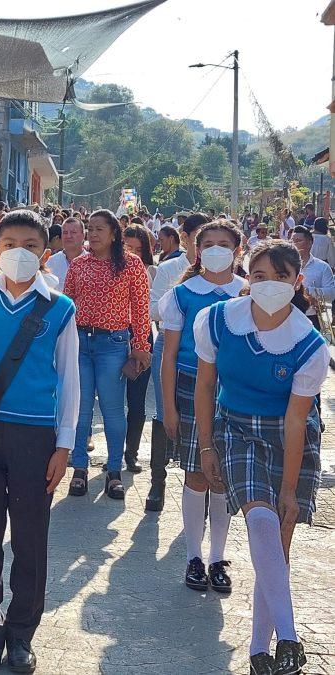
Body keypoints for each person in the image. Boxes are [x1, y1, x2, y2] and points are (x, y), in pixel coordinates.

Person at [193, 240, 327, 675]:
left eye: (281, 277)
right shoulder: (217, 321)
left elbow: (295, 421)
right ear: (247, 277)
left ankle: (259, 650)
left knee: (275, 548)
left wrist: (289, 490)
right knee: (261, 521)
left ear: (298, 282)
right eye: (259, 276)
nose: (269, 285)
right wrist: (208, 444)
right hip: (235, 430)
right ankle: (289, 638)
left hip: (289, 440)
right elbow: (205, 386)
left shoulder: (310, 347)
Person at [0, 209, 79, 674]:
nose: (19, 254)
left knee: (31, 539)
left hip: (36, 436)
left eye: (30, 246)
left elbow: (70, 380)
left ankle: (22, 635)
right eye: (9, 244)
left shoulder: (61, 308)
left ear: (45, 253)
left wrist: (65, 444)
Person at [160, 220, 246, 594]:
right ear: (196, 250)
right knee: (196, 474)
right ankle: (193, 556)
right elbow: (169, 354)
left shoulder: (247, 291)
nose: (214, 249)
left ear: (236, 250)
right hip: (190, 387)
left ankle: (217, 557)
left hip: (235, 392)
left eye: (222, 243)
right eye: (206, 243)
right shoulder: (182, 294)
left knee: (222, 478)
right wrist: (168, 406)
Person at [64, 209, 150, 501]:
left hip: (113, 344)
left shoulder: (131, 265)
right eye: (90, 228)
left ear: (114, 233)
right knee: (81, 407)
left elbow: (140, 309)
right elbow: (67, 302)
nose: (94, 234)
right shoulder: (78, 264)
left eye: (100, 228)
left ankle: (114, 470)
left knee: (113, 409)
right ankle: (79, 468)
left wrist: (141, 346)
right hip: (80, 342)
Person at [145, 212, 208, 511]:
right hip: (169, 346)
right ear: (186, 239)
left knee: (206, 416)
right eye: (201, 240)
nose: (209, 248)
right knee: (164, 412)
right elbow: (153, 310)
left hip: (209, 355)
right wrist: (180, 304)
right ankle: (157, 482)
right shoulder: (170, 268)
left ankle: (199, 483)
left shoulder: (229, 276)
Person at [121, 224, 156, 473]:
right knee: (111, 399)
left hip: (141, 336)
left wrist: (141, 343)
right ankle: (114, 452)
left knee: (136, 400)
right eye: (127, 246)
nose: (132, 252)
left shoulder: (151, 271)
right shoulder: (108, 267)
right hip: (113, 335)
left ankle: (131, 453)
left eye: (137, 249)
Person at [291, 225, 335, 331]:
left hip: (311, 316)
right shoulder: (284, 265)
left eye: (299, 241)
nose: (294, 244)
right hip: (287, 316)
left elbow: (331, 293)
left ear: (310, 243)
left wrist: (308, 291)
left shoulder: (322, 267)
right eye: (293, 241)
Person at [46, 216, 86, 291]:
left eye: (73, 232)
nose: (68, 236)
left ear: (83, 235)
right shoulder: (50, 262)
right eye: (65, 233)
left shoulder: (92, 264)